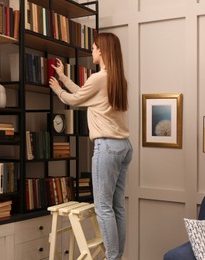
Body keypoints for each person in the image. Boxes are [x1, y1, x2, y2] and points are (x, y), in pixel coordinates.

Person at [49, 32, 133, 260]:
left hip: (106, 147)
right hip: (124, 146)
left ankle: (112, 258)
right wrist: (64, 79)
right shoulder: (117, 79)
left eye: (94, 48)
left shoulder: (98, 78)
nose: (92, 51)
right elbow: (85, 94)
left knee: (103, 207)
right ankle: (118, 256)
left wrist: (57, 90)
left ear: (103, 51)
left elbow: (75, 100)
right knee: (117, 207)